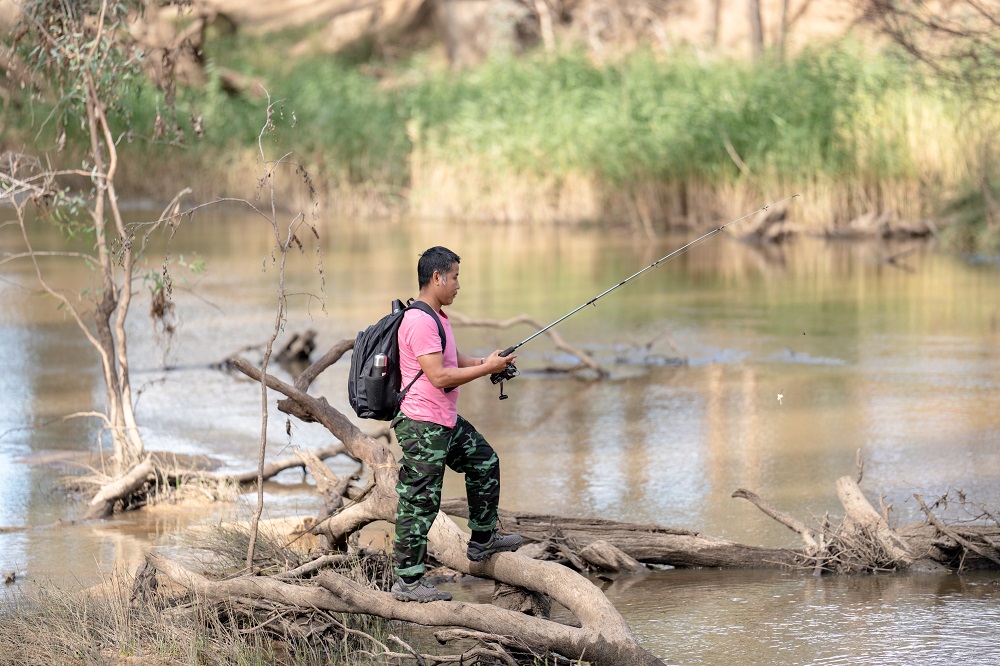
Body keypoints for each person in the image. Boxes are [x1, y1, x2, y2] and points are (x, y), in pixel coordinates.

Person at [390, 246, 524, 603]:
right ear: (437, 278)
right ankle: (407, 581)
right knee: (420, 501)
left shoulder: (438, 317)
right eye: (455, 277)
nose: (458, 285)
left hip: (443, 421)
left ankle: (482, 540)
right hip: (422, 424)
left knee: (484, 462)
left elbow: (451, 358)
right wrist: (486, 371)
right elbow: (438, 375)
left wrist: (487, 361)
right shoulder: (418, 320)